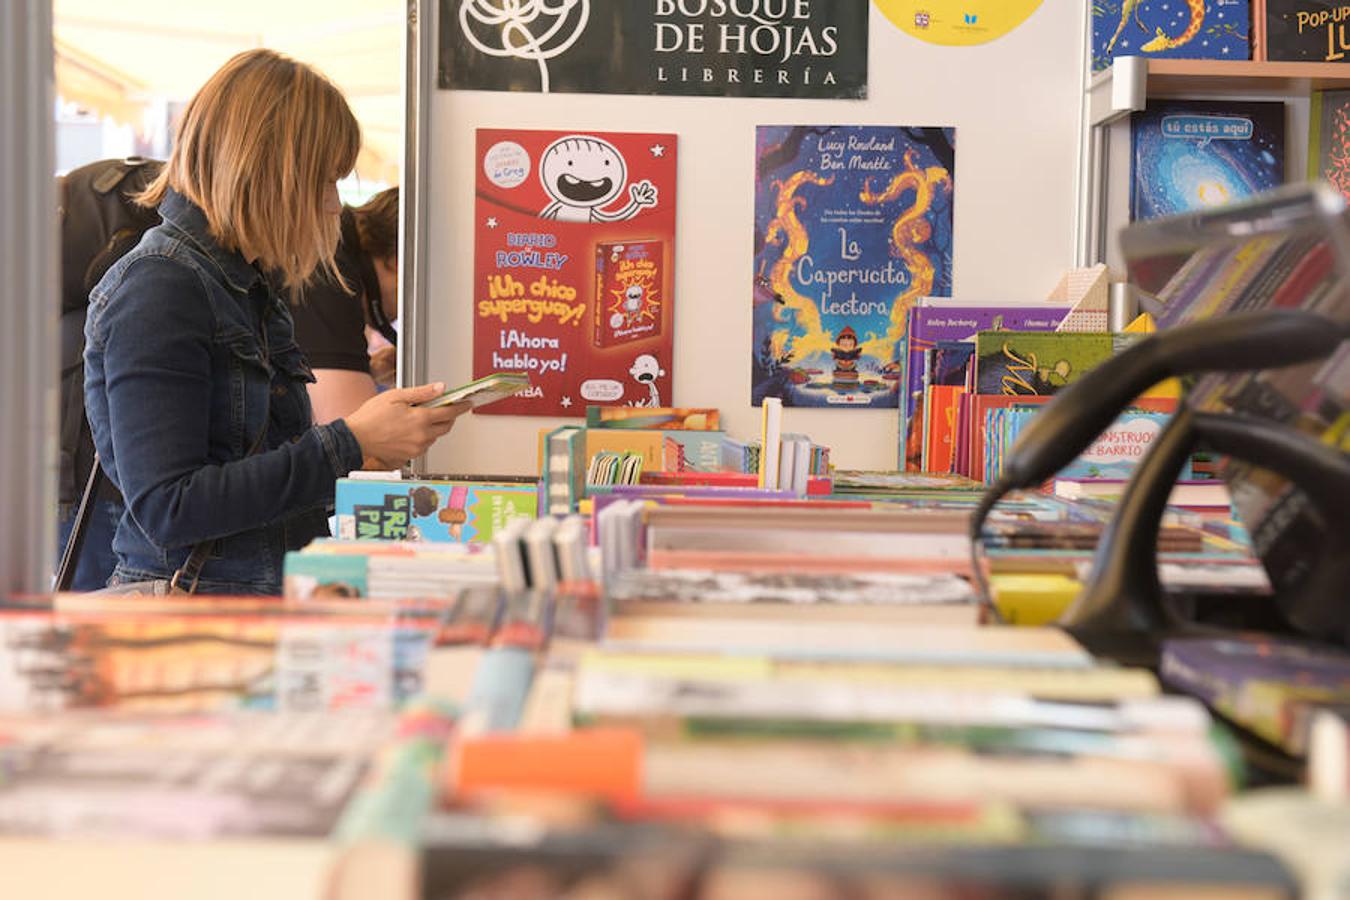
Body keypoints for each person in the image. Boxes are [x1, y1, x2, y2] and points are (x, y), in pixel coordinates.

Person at [83, 48, 466, 595]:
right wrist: (350, 442)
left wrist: (365, 447)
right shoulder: (160, 287)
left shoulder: (245, 281)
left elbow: (258, 474)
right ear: (269, 172)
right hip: (196, 613)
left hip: (254, 597)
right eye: (324, 182)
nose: (335, 206)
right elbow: (169, 506)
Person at [290, 186, 401, 424]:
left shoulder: (333, 246)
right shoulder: (329, 267)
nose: (336, 204)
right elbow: (361, 447)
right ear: (397, 261)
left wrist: (362, 371)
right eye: (329, 181)